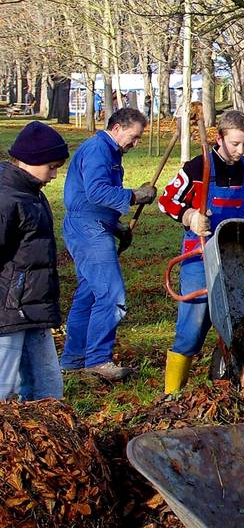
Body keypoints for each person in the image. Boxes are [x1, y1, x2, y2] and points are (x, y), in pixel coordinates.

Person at [158, 110, 244, 393]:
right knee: (193, 325)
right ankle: (172, 393)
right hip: (199, 256)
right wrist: (190, 216)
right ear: (219, 138)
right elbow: (166, 201)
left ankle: (224, 386)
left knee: (233, 325)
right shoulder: (197, 167)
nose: (241, 150)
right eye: (235, 144)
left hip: (234, 257)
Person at [60, 108, 155, 381]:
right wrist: (135, 195)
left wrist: (118, 227)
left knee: (89, 294)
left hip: (95, 225)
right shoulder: (98, 149)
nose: (135, 144)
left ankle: (74, 360)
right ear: (116, 128)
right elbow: (97, 191)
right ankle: (98, 360)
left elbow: (96, 199)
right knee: (112, 296)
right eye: (134, 137)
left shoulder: (111, 152)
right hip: (87, 228)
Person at [0, 121, 69, 400]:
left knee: (49, 391)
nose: (54, 174)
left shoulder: (32, 194)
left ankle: (45, 442)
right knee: (4, 391)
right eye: (51, 166)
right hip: (7, 312)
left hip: (33, 309)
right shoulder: (7, 199)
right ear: (30, 160)